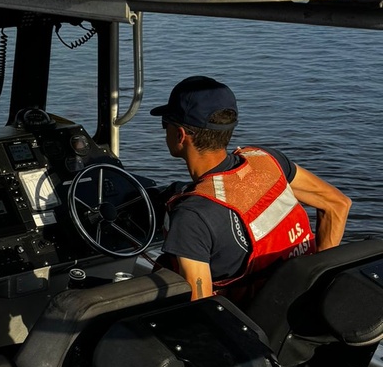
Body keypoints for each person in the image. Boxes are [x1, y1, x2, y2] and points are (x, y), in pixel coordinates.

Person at [150, 75, 351, 301]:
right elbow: (338, 204)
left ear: (180, 135)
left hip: (249, 325)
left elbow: (200, 307)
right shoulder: (267, 160)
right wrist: (317, 279)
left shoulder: (191, 216)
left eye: (165, 124)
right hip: (296, 311)